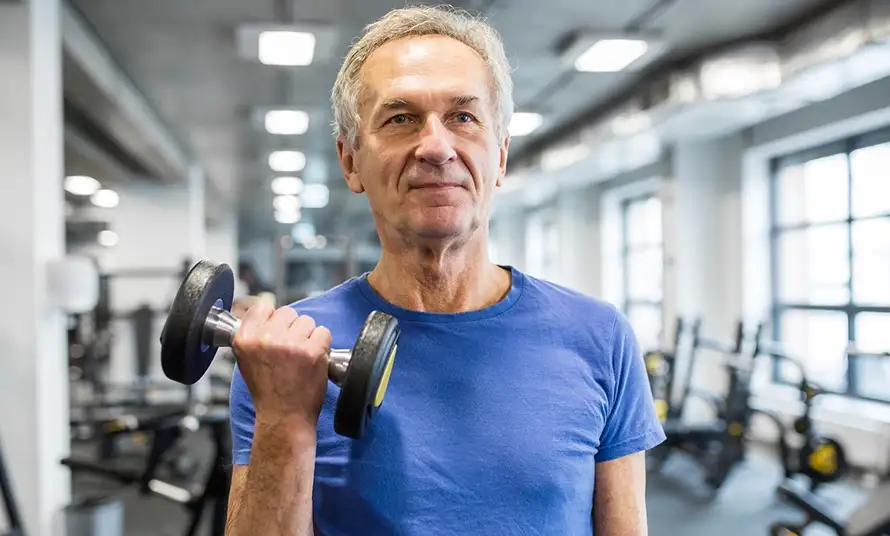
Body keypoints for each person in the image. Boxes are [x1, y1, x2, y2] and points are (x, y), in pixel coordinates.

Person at [225, 5, 665, 535]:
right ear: (350, 161)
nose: (436, 147)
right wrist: (284, 421)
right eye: (400, 118)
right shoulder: (288, 353)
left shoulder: (600, 337)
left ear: (501, 155)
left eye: (463, 117)